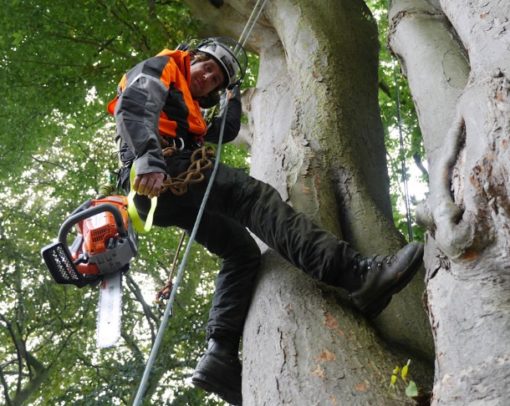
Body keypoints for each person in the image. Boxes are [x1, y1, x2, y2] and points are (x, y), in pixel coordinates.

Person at [107, 37, 424, 406]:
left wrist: (233, 103)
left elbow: (221, 134)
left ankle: (219, 353)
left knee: (241, 253)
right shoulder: (164, 67)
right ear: (191, 58)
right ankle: (356, 275)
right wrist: (148, 157)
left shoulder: (187, 107)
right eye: (207, 66)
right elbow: (135, 103)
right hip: (160, 170)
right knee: (251, 196)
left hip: (167, 187)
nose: (209, 77)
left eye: (216, 78)